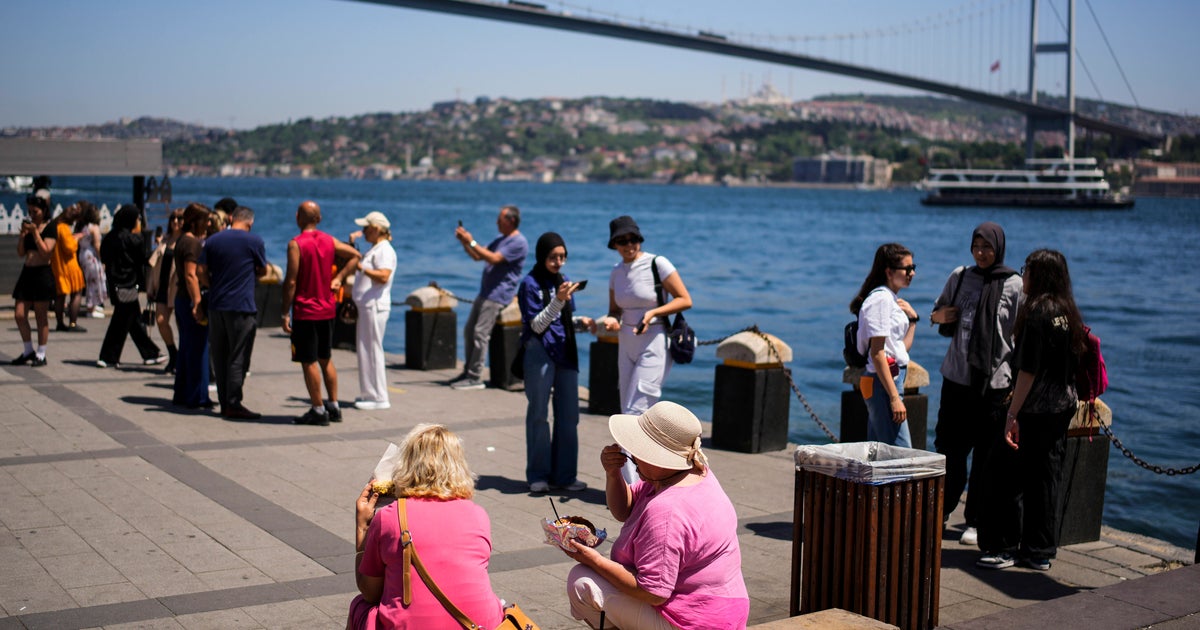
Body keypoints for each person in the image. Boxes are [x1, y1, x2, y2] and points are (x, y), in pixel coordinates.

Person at [564, 401, 749, 629]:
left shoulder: (667, 511)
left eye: (639, 451)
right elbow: (624, 510)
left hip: (695, 621)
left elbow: (653, 593)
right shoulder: (690, 473)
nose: (632, 455)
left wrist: (593, 560)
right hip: (723, 611)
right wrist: (613, 474)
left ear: (660, 457)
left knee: (582, 581)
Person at [976, 249, 1085, 572]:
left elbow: (1028, 371)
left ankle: (1005, 546)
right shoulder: (1066, 310)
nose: (1022, 275)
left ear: (1039, 275)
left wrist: (1013, 414)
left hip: (1035, 408)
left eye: (1027, 270)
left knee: (1003, 476)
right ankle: (1039, 550)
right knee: (1046, 477)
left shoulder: (1036, 312)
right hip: (1062, 404)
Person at [348, 424, 504, 630]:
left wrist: (362, 527)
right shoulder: (478, 514)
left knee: (360, 606)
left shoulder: (390, 516)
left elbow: (370, 591)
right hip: (479, 625)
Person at [929, 222, 1023, 547]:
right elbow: (936, 312)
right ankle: (940, 509)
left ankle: (976, 519)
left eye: (988, 247)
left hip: (994, 384)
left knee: (986, 456)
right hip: (956, 378)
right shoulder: (960, 276)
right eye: (976, 246)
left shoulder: (1014, 285)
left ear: (999, 248)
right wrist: (939, 317)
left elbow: (1018, 336)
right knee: (949, 451)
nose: (981, 253)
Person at [599, 215, 692, 482]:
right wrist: (611, 321)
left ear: (639, 239)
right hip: (626, 344)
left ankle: (633, 486)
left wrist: (653, 313)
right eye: (622, 240)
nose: (629, 244)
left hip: (655, 340)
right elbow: (614, 311)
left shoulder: (657, 263)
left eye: (633, 239)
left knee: (633, 413)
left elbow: (685, 299)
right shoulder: (616, 271)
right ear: (614, 244)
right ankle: (647, 477)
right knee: (626, 412)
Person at [518, 232, 595, 493]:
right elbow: (537, 325)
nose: (558, 262)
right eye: (553, 257)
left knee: (569, 416)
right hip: (539, 351)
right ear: (542, 256)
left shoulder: (563, 281)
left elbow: (562, 321)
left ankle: (565, 476)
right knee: (539, 414)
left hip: (565, 352)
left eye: (562, 257)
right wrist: (558, 300)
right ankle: (538, 474)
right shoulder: (529, 284)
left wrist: (581, 321)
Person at [282, 200, 360, 426]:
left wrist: (284, 312)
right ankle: (333, 406)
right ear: (319, 219)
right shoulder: (330, 240)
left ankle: (317, 409)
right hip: (327, 309)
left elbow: (291, 281)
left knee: (308, 360)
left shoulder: (296, 244)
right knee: (325, 358)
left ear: (297, 217)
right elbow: (356, 256)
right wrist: (339, 278)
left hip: (306, 311)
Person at [198, 205, 268, 420]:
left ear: (231, 218)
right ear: (250, 223)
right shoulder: (254, 241)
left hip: (216, 304)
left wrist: (213, 285)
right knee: (238, 356)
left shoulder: (213, 240)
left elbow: (200, 271)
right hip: (241, 305)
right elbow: (263, 270)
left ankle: (224, 400)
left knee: (219, 355)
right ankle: (233, 403)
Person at [450, 205, 528, 391]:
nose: (496, 222)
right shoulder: (501, 239)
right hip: (485, 292)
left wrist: (472, 241)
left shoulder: (518, 242)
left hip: (498, 295)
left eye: (500, 219)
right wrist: (465, 242)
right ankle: (468, 371)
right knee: (470, 331)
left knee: (480, 334)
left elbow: (494, 258)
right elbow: (479, 256)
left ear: (511, 221)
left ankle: (475, 376)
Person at [850, 243, 920, 447]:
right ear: (889, 272)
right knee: (900, 454)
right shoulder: (881, 300)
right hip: (883, 384)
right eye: (907, 269)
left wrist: (913, 320)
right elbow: (877, 353)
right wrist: (894, 398)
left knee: (879, 452)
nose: (912, 273)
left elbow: (899, 349)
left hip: (886, 382)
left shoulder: (890, 299)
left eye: (913, 267)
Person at [97, 205, 164, 368]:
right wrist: (159, 245)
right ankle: (108, 356)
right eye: (138, 219)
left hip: (115, 285)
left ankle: (150, 353)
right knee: (122, 321)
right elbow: (144, 259)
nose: (139, 222)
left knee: (131, 320)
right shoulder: (134, 239)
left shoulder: (110, 237)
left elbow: (103, 257)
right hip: (128, 285)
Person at [347, 211, 397, 411]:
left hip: (375, 306)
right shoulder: (376, 249)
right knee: (366, 349)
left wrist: (360, 267)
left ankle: (379, 396)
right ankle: (370, 392)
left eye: (366, 228)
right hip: (367, 305)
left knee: (373, 349)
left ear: (376, 229)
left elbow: (383, 276)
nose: (363, 232)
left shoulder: (384, 250)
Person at [173, 204, 215, 409]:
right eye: (205, 220)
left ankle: (182, 393)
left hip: (180, 299)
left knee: (187, 348)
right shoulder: (192, 244)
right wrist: (198, 302)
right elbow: (191, 275)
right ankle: (197, 396)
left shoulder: (181, 240)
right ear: (195, 221)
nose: (208, 224)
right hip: (190, 299)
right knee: (198, 349)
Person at [10, 194, 56, 367]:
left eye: (35, 211)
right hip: (27, 273)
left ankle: (41, 353)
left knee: (40, 316)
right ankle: (28, 349)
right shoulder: (29, 228)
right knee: (20, 314)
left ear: (43, 210)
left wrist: (36, 232)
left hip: (42, 273)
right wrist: (23, 235)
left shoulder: (50, 227)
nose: (32, 214)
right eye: (29, 211)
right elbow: (21, 253)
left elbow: (46, 252)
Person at [147, 208, 184, 373]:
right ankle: (173, 353)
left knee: (181, 325)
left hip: (178, 288)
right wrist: (149, 288)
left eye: (179, 218)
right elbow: (153, 265)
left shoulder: (186, 241)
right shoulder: (165, 241)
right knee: (161, 321)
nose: (175, 221)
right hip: (162, 286)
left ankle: (183, 358)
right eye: (173, 218)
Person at [49, 201, 87, 333]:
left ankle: (60, 322)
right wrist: (76, 239)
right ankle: (72, 322)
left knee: (60, 296)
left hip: (58, 266)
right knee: (76, 294)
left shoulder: (54, 227)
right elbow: (69, 248)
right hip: (69, 267)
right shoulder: (64, 228)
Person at [74, 201, 107, 319]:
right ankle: (91, 307)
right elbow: (97, 246)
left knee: (89, 281)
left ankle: (92, 305)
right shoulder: (94, 228)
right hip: (91, 256)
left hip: (82, 255)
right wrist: (102, 260)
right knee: (94, 281)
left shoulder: (82, 226)